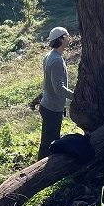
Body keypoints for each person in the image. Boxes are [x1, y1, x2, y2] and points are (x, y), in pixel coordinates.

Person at [37, 26, 73, 159]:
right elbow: (58, 88)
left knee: (47, 140)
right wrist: (76, 97)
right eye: (67, 36)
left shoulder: (49, 56)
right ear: (61, 39)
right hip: (52, 108)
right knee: (48, 145)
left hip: (48, 105)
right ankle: (41, 173)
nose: (69, 39)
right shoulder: (56, 60)